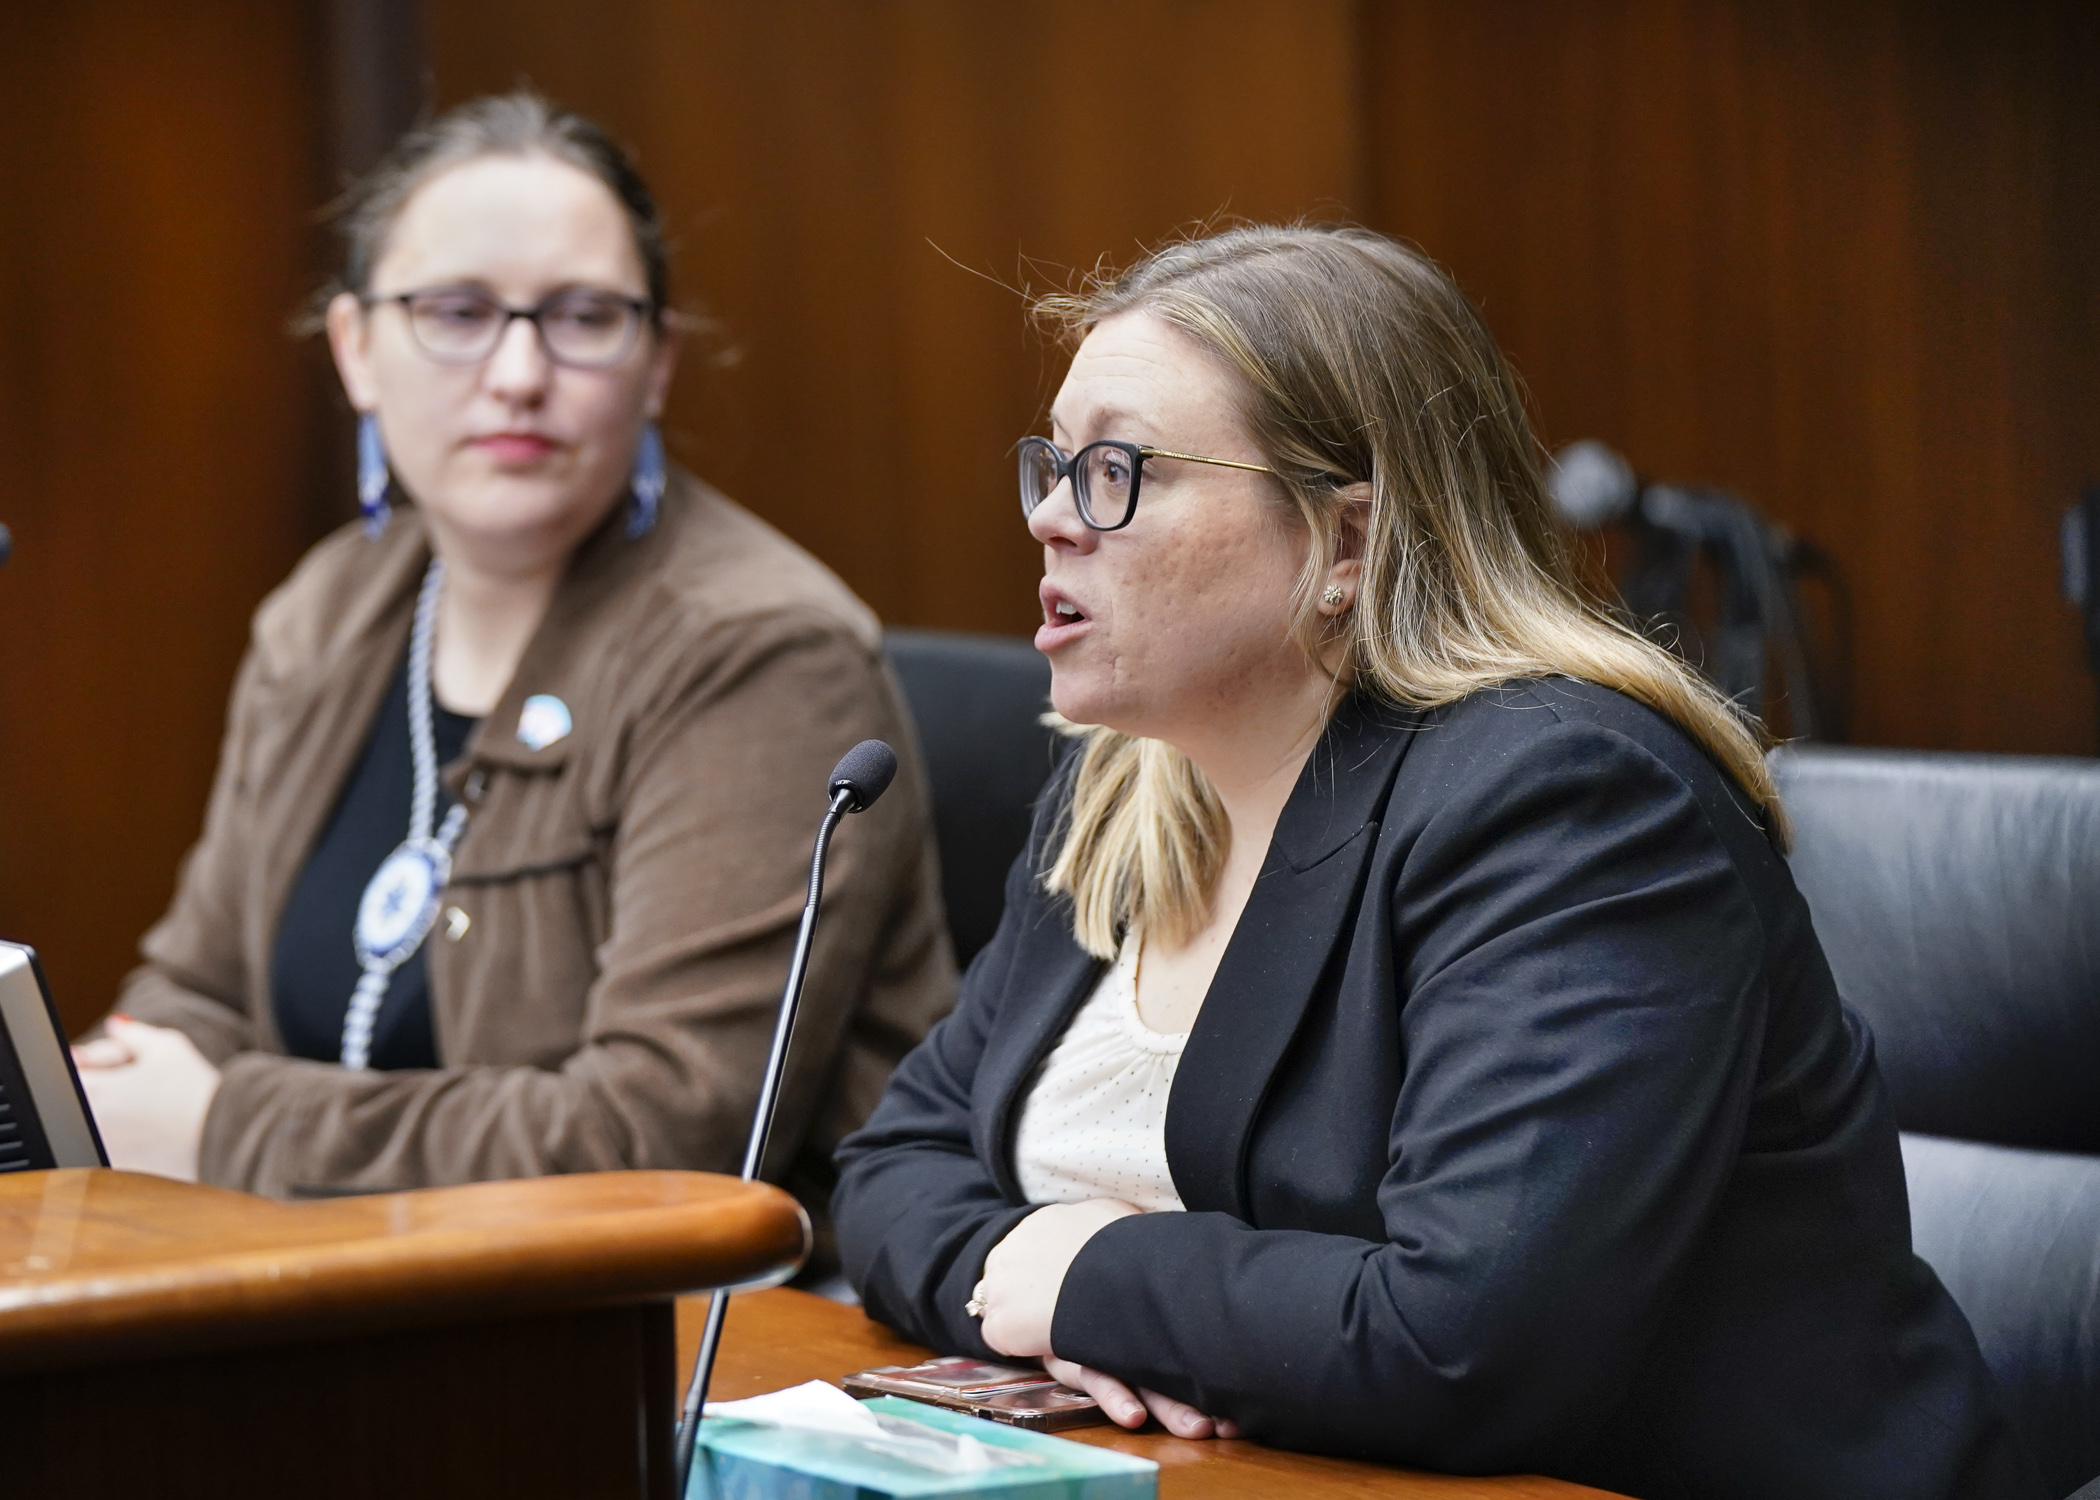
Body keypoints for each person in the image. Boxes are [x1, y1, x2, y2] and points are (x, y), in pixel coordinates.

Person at [831, 225, 2042, 1497]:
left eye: (1117, 468)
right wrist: (1065, 1300)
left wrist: (1086, 1282)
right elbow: (892, 1171)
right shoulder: (1126, 785)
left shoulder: (1570, 802)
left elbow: (1463, 1344)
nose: (1047, 515)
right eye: (1055, 461)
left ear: (1348, 543)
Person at [73, 93, 955, 1218]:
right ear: (356, 350)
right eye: (456, 311)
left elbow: (663, 1132)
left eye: (585, 317)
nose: (519, 372)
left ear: (658, 364)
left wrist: (221, 1126)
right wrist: (104, 1097)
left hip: (658, 1338)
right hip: (341, 1293)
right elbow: (195, 991)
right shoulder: (329, 607)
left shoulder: (760, 654)